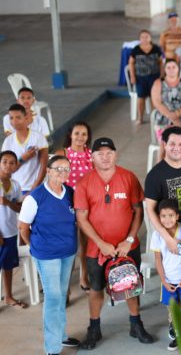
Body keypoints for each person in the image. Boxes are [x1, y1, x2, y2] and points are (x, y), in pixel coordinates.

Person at [74, 137, 152, 350]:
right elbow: (82, 219)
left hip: (128, 246)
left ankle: (136, 324)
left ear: (115, 154)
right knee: (96, 289)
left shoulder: (128, 178)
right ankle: (94, 328)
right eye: (100, 154)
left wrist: (128, 240)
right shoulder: (84, 183)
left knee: (130, 286)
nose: (105, 157)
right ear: (92, 157)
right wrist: (101, 244)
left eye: (109, 153)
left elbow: (139, 211)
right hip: (96, 249)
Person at [18, 155, 81, 354]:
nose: (63, 173)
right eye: (58, 169)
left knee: (61, 295)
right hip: (46, 255)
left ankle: (61, 336)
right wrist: (34, 245)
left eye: (67, 169)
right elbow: (23, 227)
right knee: (53, 298)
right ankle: (52, 349)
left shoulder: (70, 192)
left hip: (67, 252)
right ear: (48, 171)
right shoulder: (35, 197)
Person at [150, 199, 181, 352]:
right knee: (173, 311)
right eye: (163, 216)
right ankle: (178, 336)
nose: (167, 219)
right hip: (168, 281)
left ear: (177, 216)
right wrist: (163, 280)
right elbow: (158, 259)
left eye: (170, 215)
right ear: (159, 217)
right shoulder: (157, 235)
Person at [54, 121, 93, 291]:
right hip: (66, 204)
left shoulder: (91, 155)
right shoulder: (62, 153)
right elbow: (54, 182)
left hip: (86, 204)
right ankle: (65, 284)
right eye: (77, 133)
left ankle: (84, 277)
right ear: (70, 135)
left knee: (85, 242)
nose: (80, 137)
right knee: (68, 243)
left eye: (84, 134)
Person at [2, 104, 49, 195]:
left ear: (25, 118)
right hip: (15, 188)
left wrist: (33, 190)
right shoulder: (8, 141)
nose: (14, 121)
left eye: (18, 117)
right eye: (11, 118)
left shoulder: (38, 138)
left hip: (35, 187)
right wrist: (23, 158)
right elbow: (6, 169)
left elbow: (44, 167)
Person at [0, 151, 24, 309]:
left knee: (8, 266)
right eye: (4, 162)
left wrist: (7, 203)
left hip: (10, 232)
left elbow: (19, 207)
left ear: (16, 166)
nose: (8, 165)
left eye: (12, 162)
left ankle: (8, 296)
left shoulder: (15, 185)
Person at [151, 58, 181, 140]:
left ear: (178, 69)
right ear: (164, 69)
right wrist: (172, 117)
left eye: (174, 67)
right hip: (163, 119)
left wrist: (177, 114)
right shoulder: (158, 83)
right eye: (168, 67)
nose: (171, 70)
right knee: (165, 146)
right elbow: (157, 103)